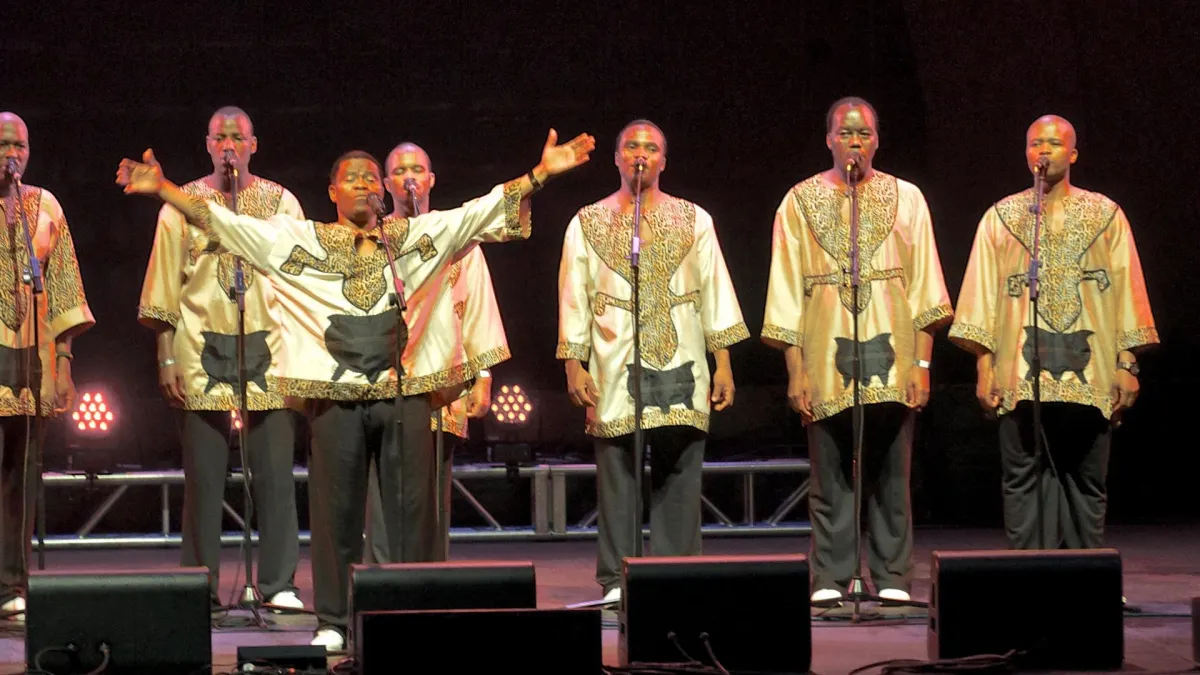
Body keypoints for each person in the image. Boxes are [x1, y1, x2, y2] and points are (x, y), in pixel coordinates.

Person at [116, 127, 595, 651]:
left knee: (410, 512)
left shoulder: (416, 238)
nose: (365, 184)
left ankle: (407, 615)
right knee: (335, 512)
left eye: (372, 177)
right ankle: (335, 620)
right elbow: (222, 222)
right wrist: (164, 188)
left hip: (404, 391)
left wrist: (540, 174)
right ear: (332, 192)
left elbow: (479, 212)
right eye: (353, 178)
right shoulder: (302, 239)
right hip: (334, 396)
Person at [760, 97, 953, 606]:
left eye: (864, 134)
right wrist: (795, 369)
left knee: (892, 475)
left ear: (877, 141)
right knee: (829, 479)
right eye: (845, 134)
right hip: (824, 358)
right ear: (828, 140)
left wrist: (922, 364)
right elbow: (784, 291)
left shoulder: (908, 198)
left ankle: (891, 574)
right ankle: (831, 574)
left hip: (894, 356)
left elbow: (927, 288)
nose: (854, 142)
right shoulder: (797, 202)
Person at [557, 119, 748, 604]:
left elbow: (715, 291)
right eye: (631, 146)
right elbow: (573, 298)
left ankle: (675, 576)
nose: (640, 154)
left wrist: (722, 362)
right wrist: (572, 364)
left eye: (651, 147)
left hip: (682, 356)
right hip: (613, 358)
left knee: (680, 471)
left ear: (664, 159)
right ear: (617, 158)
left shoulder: (695, 218)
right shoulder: (586, 221)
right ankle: (618, 581)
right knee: (617, 475)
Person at [949, 114, 1158, 552]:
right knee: (1022, 479)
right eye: (1034, 144)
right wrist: (985, 366)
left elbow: (1127, 289)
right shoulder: (1001, 217)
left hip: (1092, 371)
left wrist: (1127, 363)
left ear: (1074, 153)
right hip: (1019, 373)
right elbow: (980, 295)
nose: (1043, 151)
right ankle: (1030, 576)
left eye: (1054, 144)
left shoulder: (1106, 215)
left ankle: (1089, 578)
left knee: (1086, 480)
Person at [137, 106, 305, 611]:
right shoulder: (180, 203)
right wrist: (165, 356)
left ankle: (277, 585)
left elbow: (300, 278)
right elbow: (164, 282)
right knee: (204, 481)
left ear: (254, 144)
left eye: (238, 137)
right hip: (199, 347)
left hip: (269, 349)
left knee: (275, 476)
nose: (229, 145)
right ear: (207, 144)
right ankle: (199, 588)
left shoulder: (282, 202)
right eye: (220, 137)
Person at [364, 142, 510, 563]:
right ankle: (379, 576)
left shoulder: (460, 237)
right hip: (386, 379)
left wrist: (483, 377)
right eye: (399, 170)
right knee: (383, 479)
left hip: (443, 379)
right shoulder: (373, 240)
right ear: (387, 182)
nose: (409, 177)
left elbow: (478, 307)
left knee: (432, 485)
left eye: (418, 169)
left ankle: (429, 576)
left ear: (430, 179)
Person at [0, 112, 95, 622]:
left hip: (29, 364)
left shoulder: (45, 206)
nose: (11, 154)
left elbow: (62, 291)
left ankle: (12, 583)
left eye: (20, 146)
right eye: (2, 145)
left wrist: (63, 364)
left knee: (20, 479)